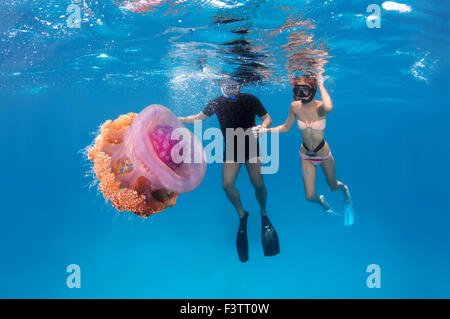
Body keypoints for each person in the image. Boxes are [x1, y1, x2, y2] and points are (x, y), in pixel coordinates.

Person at [178, 79, 280, 262]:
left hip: (251, 146)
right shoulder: (216, 102)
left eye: (234, 85)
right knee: (226, 185)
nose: (230, 89)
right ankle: (242, 213)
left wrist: (262, 128)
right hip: (232, 149)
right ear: (220, 86)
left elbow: (267, 118)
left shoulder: (250, 99)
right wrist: (177, 119)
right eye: (226, 85)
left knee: (258, 185)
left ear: (240, 85)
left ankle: (264, 212)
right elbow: (197, 118)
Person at [252, 72, 355, 226]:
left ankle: (345, 190)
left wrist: (320, 82)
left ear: (312, 90)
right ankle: (322, 203)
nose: (301, 95)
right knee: (309, 196)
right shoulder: (295, 107)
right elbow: (286, 128)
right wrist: (264, 131)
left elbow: (329, 106)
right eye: (297, 91)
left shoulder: (320, 107)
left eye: (304, 90)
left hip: (323, 153)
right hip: (305, 154)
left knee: (333, 186)